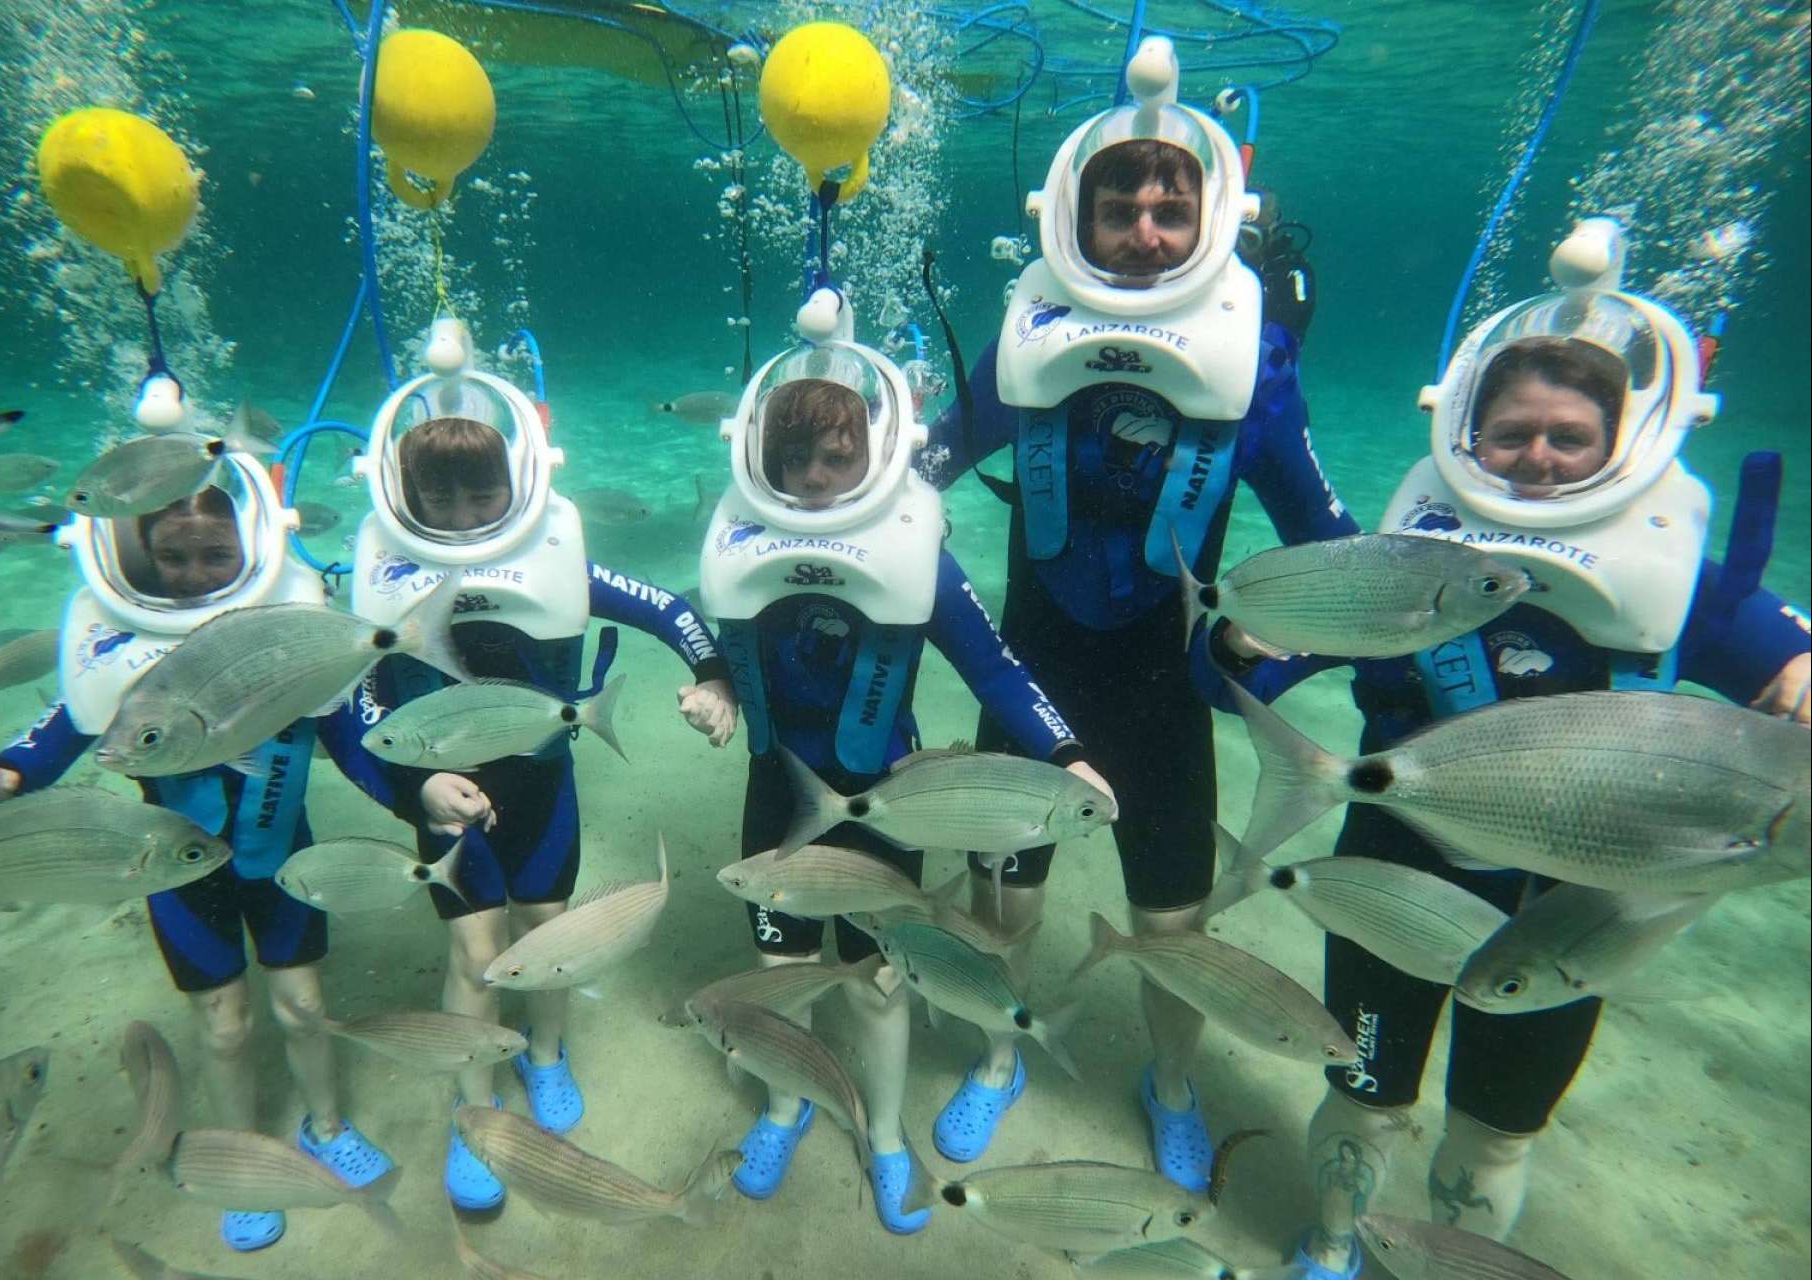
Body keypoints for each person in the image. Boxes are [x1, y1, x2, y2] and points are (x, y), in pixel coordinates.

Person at [1195, 218, 1811, 1278]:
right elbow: (1233, 680)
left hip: (1573, 904)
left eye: (1567, 436)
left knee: (1496, 1123)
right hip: (1396, 865)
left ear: (1621, 445)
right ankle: (1337, 1241)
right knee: (1358, 1082)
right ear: (1462, 439)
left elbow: (1778, 663)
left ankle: (1452, 1257)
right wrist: (1243, 638)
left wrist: (1797, 673)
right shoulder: (1407, 568)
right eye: (1511, 432)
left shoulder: (1684, 578)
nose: (1535, 456)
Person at [912, 35, 1358, 1182]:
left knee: (1172, 931)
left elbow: (1338, 559)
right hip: (1030, 672)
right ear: (1075, 218)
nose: (1147, 230)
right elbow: (924, 469)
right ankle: (1002, 1058)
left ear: (1213, 221)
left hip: (1164, 693)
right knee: (1000, 910)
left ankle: (1168, 1083)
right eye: (1121, 206)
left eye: (1172, 205)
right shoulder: (1026, 341)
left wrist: (1272, 658)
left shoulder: (1252, 368)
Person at [693, 303, 1115, 1234]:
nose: (810, 481)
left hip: (887, 808)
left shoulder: (920, 552)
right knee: (776, 964)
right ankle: (784, 1102)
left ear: (875, 454)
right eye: (791, 460)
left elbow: (997, 669)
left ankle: (884, 1132)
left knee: (881, 979)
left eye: (834, 459)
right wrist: (714, 683)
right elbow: (709, 636)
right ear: (758, 460)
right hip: (777, 794)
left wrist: (1065, 754)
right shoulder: (737, 541)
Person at [0, 463, 402, 1254]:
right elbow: (60, 732)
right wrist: (1, 772)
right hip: (175, 873)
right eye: (173, 558)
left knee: (301, 1007)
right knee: (224, 1027)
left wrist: (419, 794)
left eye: (214, 556)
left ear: (251, 549)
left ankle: (326, 1125)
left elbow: (353, 742)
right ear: (138, 557)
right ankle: (241, 1148)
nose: (193, 575)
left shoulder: (284, 637)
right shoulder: (122, 648)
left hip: (281, 860)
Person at [348, 318, 737, 1213]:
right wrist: (415, 787)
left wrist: (712, 676)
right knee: (475, 951)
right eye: (436, 502)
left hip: (543, 785)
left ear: (516, 485)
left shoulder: (557, 556)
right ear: (402, 495)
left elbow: (670, 610)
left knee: (550, 925)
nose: (457, 519)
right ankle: (474, 1108)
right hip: (443, 794)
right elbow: (361, 699)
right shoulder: (380, 573)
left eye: (477, 498)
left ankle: (549, 1055)